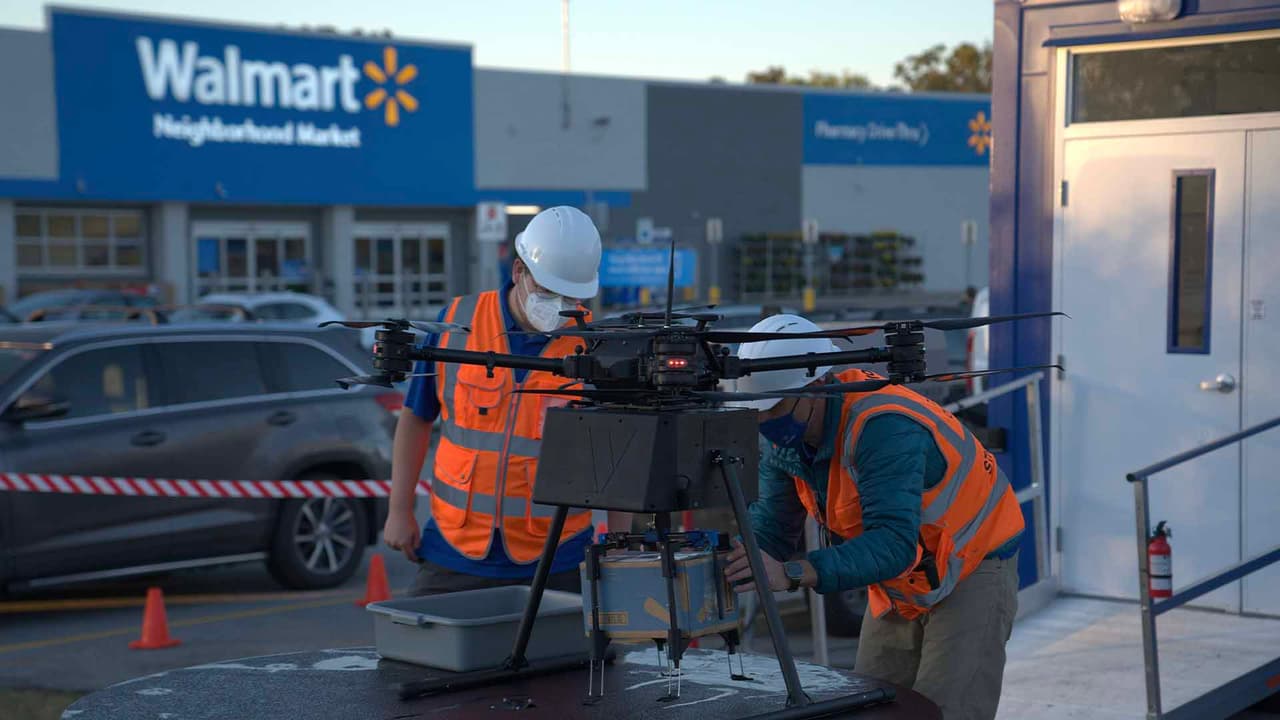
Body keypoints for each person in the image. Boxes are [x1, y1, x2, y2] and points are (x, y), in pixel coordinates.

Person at [723, 314, 1023, 720]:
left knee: (945, 710)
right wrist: (732, 565)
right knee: (870, 704)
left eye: (772, 408)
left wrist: (794, 572)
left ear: (815, 387)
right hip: (904, 577)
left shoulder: (882, 426)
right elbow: (771, 533)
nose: (763, 420)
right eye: (755, 410)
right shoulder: (786, 441)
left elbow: (893, 544)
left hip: (973, 563)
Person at [383, 206, 629, 596]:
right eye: (549, 290)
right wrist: (399, 511)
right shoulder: (457, 323)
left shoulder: (594, 347)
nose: (560, 305)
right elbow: (416, 417)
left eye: (571, 295)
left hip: (557, 556)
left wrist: (620, 547)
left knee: (573, 658)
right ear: (519, 271)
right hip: (454, 550)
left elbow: (619, 454)